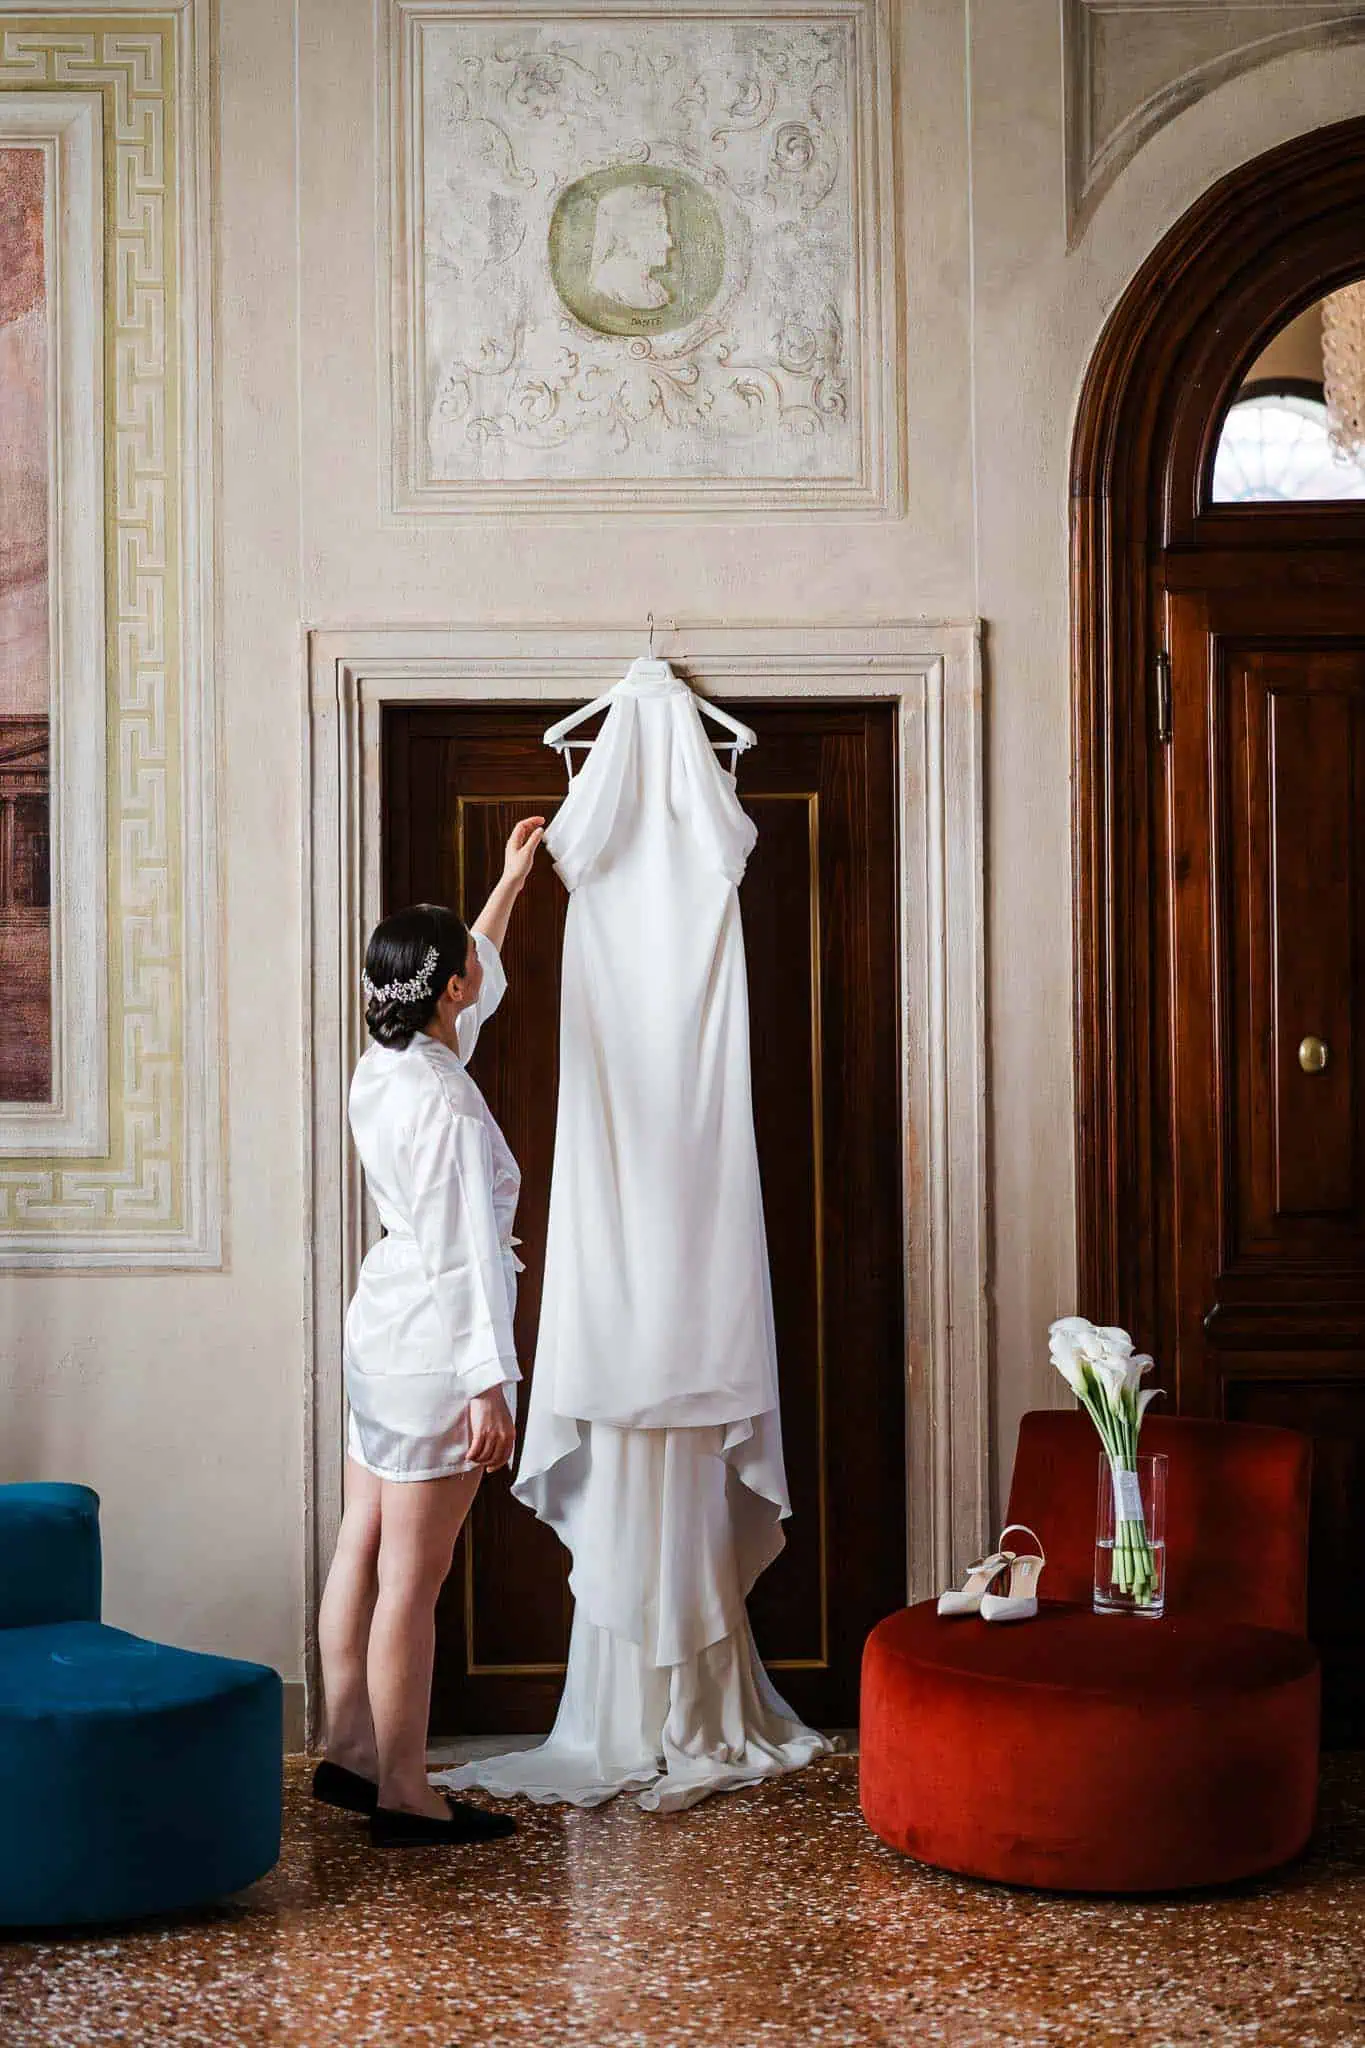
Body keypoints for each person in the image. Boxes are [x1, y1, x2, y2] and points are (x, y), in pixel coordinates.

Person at [312, 817, 544, 1847]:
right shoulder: (446, 1104)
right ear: (444, 989)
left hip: (379, 1335)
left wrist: (508, 881)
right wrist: (489, 1384)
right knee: (416, 1578)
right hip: (432, 1347)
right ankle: (407, 1791)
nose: (474, 981)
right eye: (464, 971)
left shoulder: (387, 1062)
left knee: (360, 1542)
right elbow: (464, 1255)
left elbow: (475, 978)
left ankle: (347, 1751)